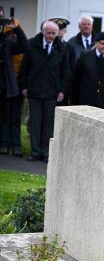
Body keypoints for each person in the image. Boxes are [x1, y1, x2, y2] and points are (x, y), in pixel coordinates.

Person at [19, 20, 71, 162]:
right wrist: (24, 86)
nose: (51, 36)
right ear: (43, 32)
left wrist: (62, 90)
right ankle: (35, 152)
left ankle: (46, 152)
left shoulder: (62, 48)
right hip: (34, 90)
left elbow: (65, 72)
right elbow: (24, 68)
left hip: (52, 92)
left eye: (54, 33)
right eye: (49, 33)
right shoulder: (32, 45)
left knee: (49, 124)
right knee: (35, 122)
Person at [71, 32, 104, 111]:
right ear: (96, 43)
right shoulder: (85, 56)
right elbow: (77, 78)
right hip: (86, 101)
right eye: (102, 43)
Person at [0, 16, 28, 157]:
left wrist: (17, 29)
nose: (11, 35)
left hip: (16, 87)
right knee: (4, 118)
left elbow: (25, 46)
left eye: (13, 32)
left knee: (15, 118)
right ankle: (4, 144)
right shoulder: (4, 44)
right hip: (4, 86)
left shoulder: (16, 44)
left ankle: (16, 146)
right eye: (9, 32)